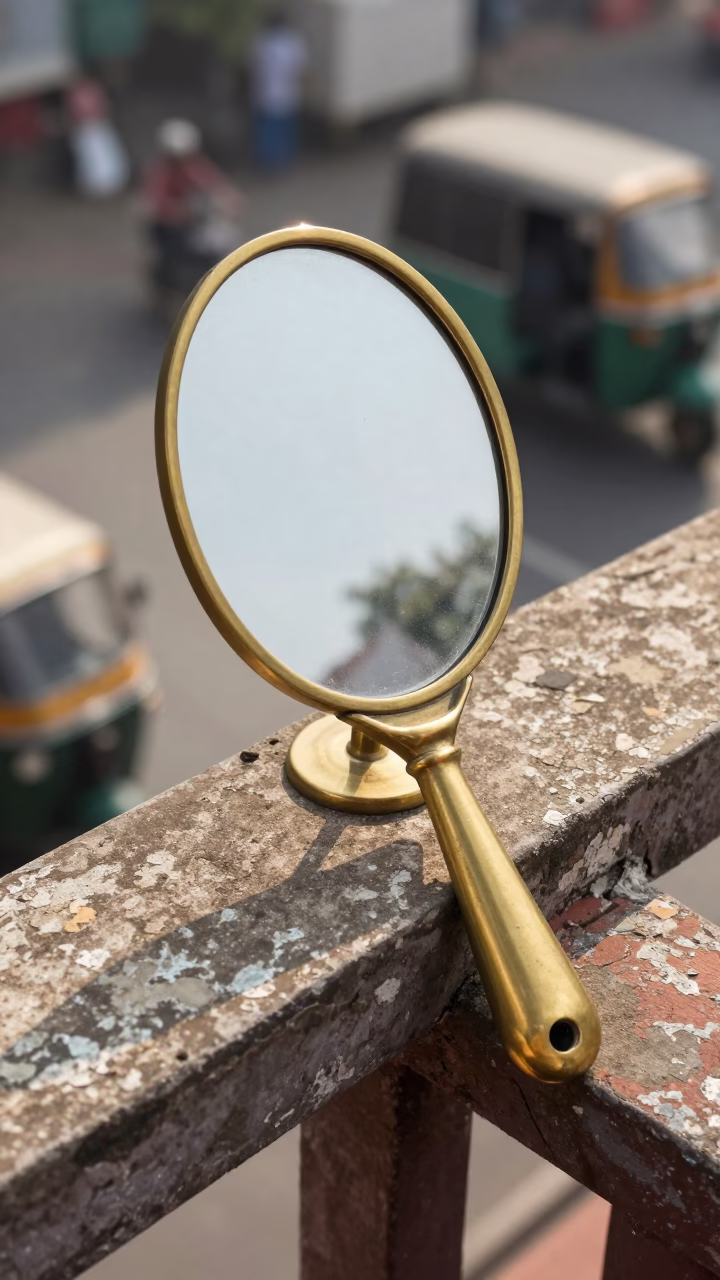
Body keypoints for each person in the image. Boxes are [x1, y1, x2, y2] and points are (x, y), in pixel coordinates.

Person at [141, 119, 244, 303]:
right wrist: (178, 210)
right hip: (169, 228)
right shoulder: (160, 171)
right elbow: (155, 202)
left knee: (221, 241)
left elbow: (217, 185)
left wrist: (228, 202)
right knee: (171, 256)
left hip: (196, 221)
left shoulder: (196, 165)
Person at [249, 9, 307, 170]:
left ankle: (266, 163)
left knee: (267, 133)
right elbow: (300, 70)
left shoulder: (262, 42)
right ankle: (281, 162)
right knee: (284, 132)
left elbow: (254, 68)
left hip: (266, 95)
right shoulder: (294, 43)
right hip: (288, 95)